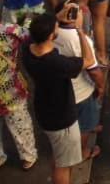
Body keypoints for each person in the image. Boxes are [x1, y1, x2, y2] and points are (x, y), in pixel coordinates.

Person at [23, 10, 94, 184]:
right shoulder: (56, 63)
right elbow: (89, 60)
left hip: (44, 111)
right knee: (64, 165)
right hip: (62, 120)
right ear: (50, 35)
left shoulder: (28, 48)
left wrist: (55, 18)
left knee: (59, 156)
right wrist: (80, 31)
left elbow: (39, 31)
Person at [54, 0, 105, 161]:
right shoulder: (79, 39)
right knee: (84, 125)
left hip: (63, 89)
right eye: (78, 12)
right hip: (82, 91)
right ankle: (83, 153)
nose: (82, 14)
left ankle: (91, 126)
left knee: (76, 119)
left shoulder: (52, 33)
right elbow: (94, 70)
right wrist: (101, 86)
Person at [0, 21, 38, 170]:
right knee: (20, 124)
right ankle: (28, 156)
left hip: (8, 89)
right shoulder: (10, 30)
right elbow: (32, 36)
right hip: (10, 89)